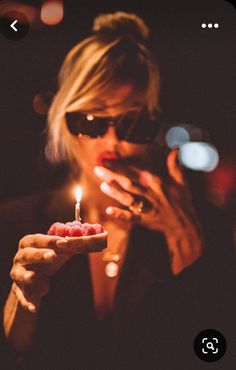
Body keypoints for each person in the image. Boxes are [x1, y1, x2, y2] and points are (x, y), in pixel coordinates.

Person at [1, 11, 235, 370]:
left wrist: (191, 260)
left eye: (133, 123)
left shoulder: (207, 226)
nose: (112, 141)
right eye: (91, 120)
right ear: (64, 119)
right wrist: (23, 299)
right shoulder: (15, 222)